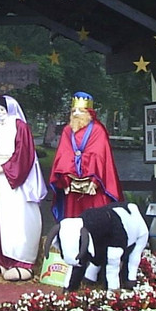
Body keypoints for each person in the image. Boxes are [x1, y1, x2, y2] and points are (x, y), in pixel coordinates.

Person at [0, 95, 47, 280]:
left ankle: (21, 260)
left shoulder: (20, 127)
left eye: (2, 110)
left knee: (17, 217)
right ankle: (1, 258)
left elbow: (23, 154)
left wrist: (1, 168)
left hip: (14, 181)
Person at [49, 91, 124, 221]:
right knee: (73, 221)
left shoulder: (98, 130)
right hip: (72, 186)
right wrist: (65, 180)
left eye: (81, 110)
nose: (77, 114)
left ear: (89, 112)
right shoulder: (67, 130)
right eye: (74, 111)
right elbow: (63, 154)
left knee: (96, 220)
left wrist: (95, 181)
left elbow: (100, 156)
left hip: (92, 187)